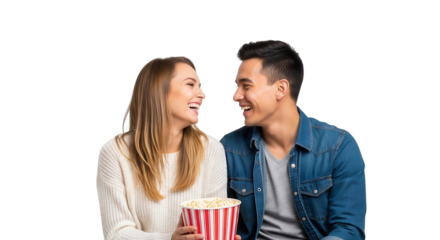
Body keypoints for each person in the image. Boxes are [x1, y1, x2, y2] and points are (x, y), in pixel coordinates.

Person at [220, 40, 367, 240]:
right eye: (236, 86)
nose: (235, 96)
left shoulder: (339, 147)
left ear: (281, 89)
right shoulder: (228, 148)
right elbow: (217, 221)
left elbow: (348, 230)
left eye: (246, 86)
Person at [96, 56, 241, 240]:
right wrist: (170, 239)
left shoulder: (211, 148)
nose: (202, 95)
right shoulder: (115, 152)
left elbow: (210, 225)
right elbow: (115, 233)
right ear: (159, 90)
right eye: (190, 84)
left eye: (201, 87)